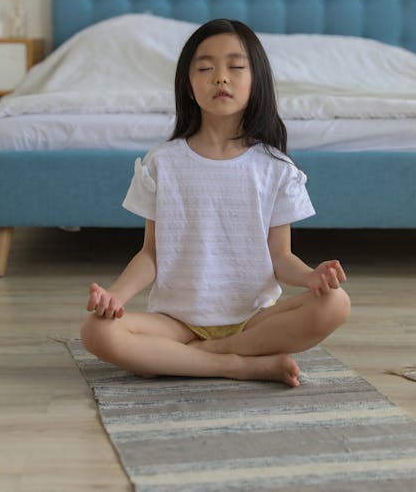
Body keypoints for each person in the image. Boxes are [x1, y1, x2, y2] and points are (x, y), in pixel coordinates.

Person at [81, 19, 350, 387]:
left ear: (255, 83)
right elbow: (152, 254)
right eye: (205, 68)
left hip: (253, 319)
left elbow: (280, 258)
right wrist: (116, 296)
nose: (220, 78)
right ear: (188, 87)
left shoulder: (275, 167)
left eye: (236, 67)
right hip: (176, 322)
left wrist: (310, 277)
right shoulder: (163, 162)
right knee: (97, 332)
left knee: (336, 303)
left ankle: (196, 359)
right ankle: (241, 366)